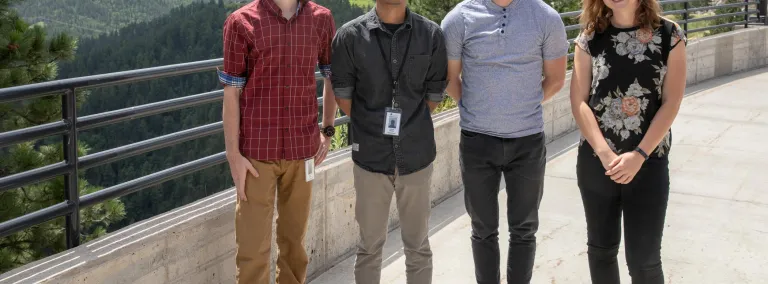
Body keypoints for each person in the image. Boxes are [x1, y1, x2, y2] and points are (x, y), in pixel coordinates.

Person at [441, 0, 568, 283]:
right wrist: (477, 107)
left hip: (527, 141)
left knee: (524, 229)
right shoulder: (459, 19)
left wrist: (524, 106)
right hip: (477, 140)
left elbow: (556, 78)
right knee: (482, 228)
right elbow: (450, 78)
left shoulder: (546, 17)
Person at [218, 0, 338, 283]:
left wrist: (328, 130)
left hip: (302, 150)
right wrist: (233, 156)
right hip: (256, 156)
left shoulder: (321, 19)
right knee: (251, 251)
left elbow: (333, 76)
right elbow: (231, 94)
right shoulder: (240, 21)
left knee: (294, 247)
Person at [331, 0, 448, 282]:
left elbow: (434, 95)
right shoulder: (349, 36)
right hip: (371, 156)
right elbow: (343, 97)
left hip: (416, 154)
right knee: (369, 247)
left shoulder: (430, 34)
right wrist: (375, 126)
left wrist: (407, 123)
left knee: (418, 246)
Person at [570, 0, 687, 281]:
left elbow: (671, 103)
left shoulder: (670, 35)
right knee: (601, 251)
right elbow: (579, 102)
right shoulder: (588, 38)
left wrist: (639, 155)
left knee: (644, 262)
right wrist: (605, 154)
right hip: (598, 164)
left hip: (648, 162)